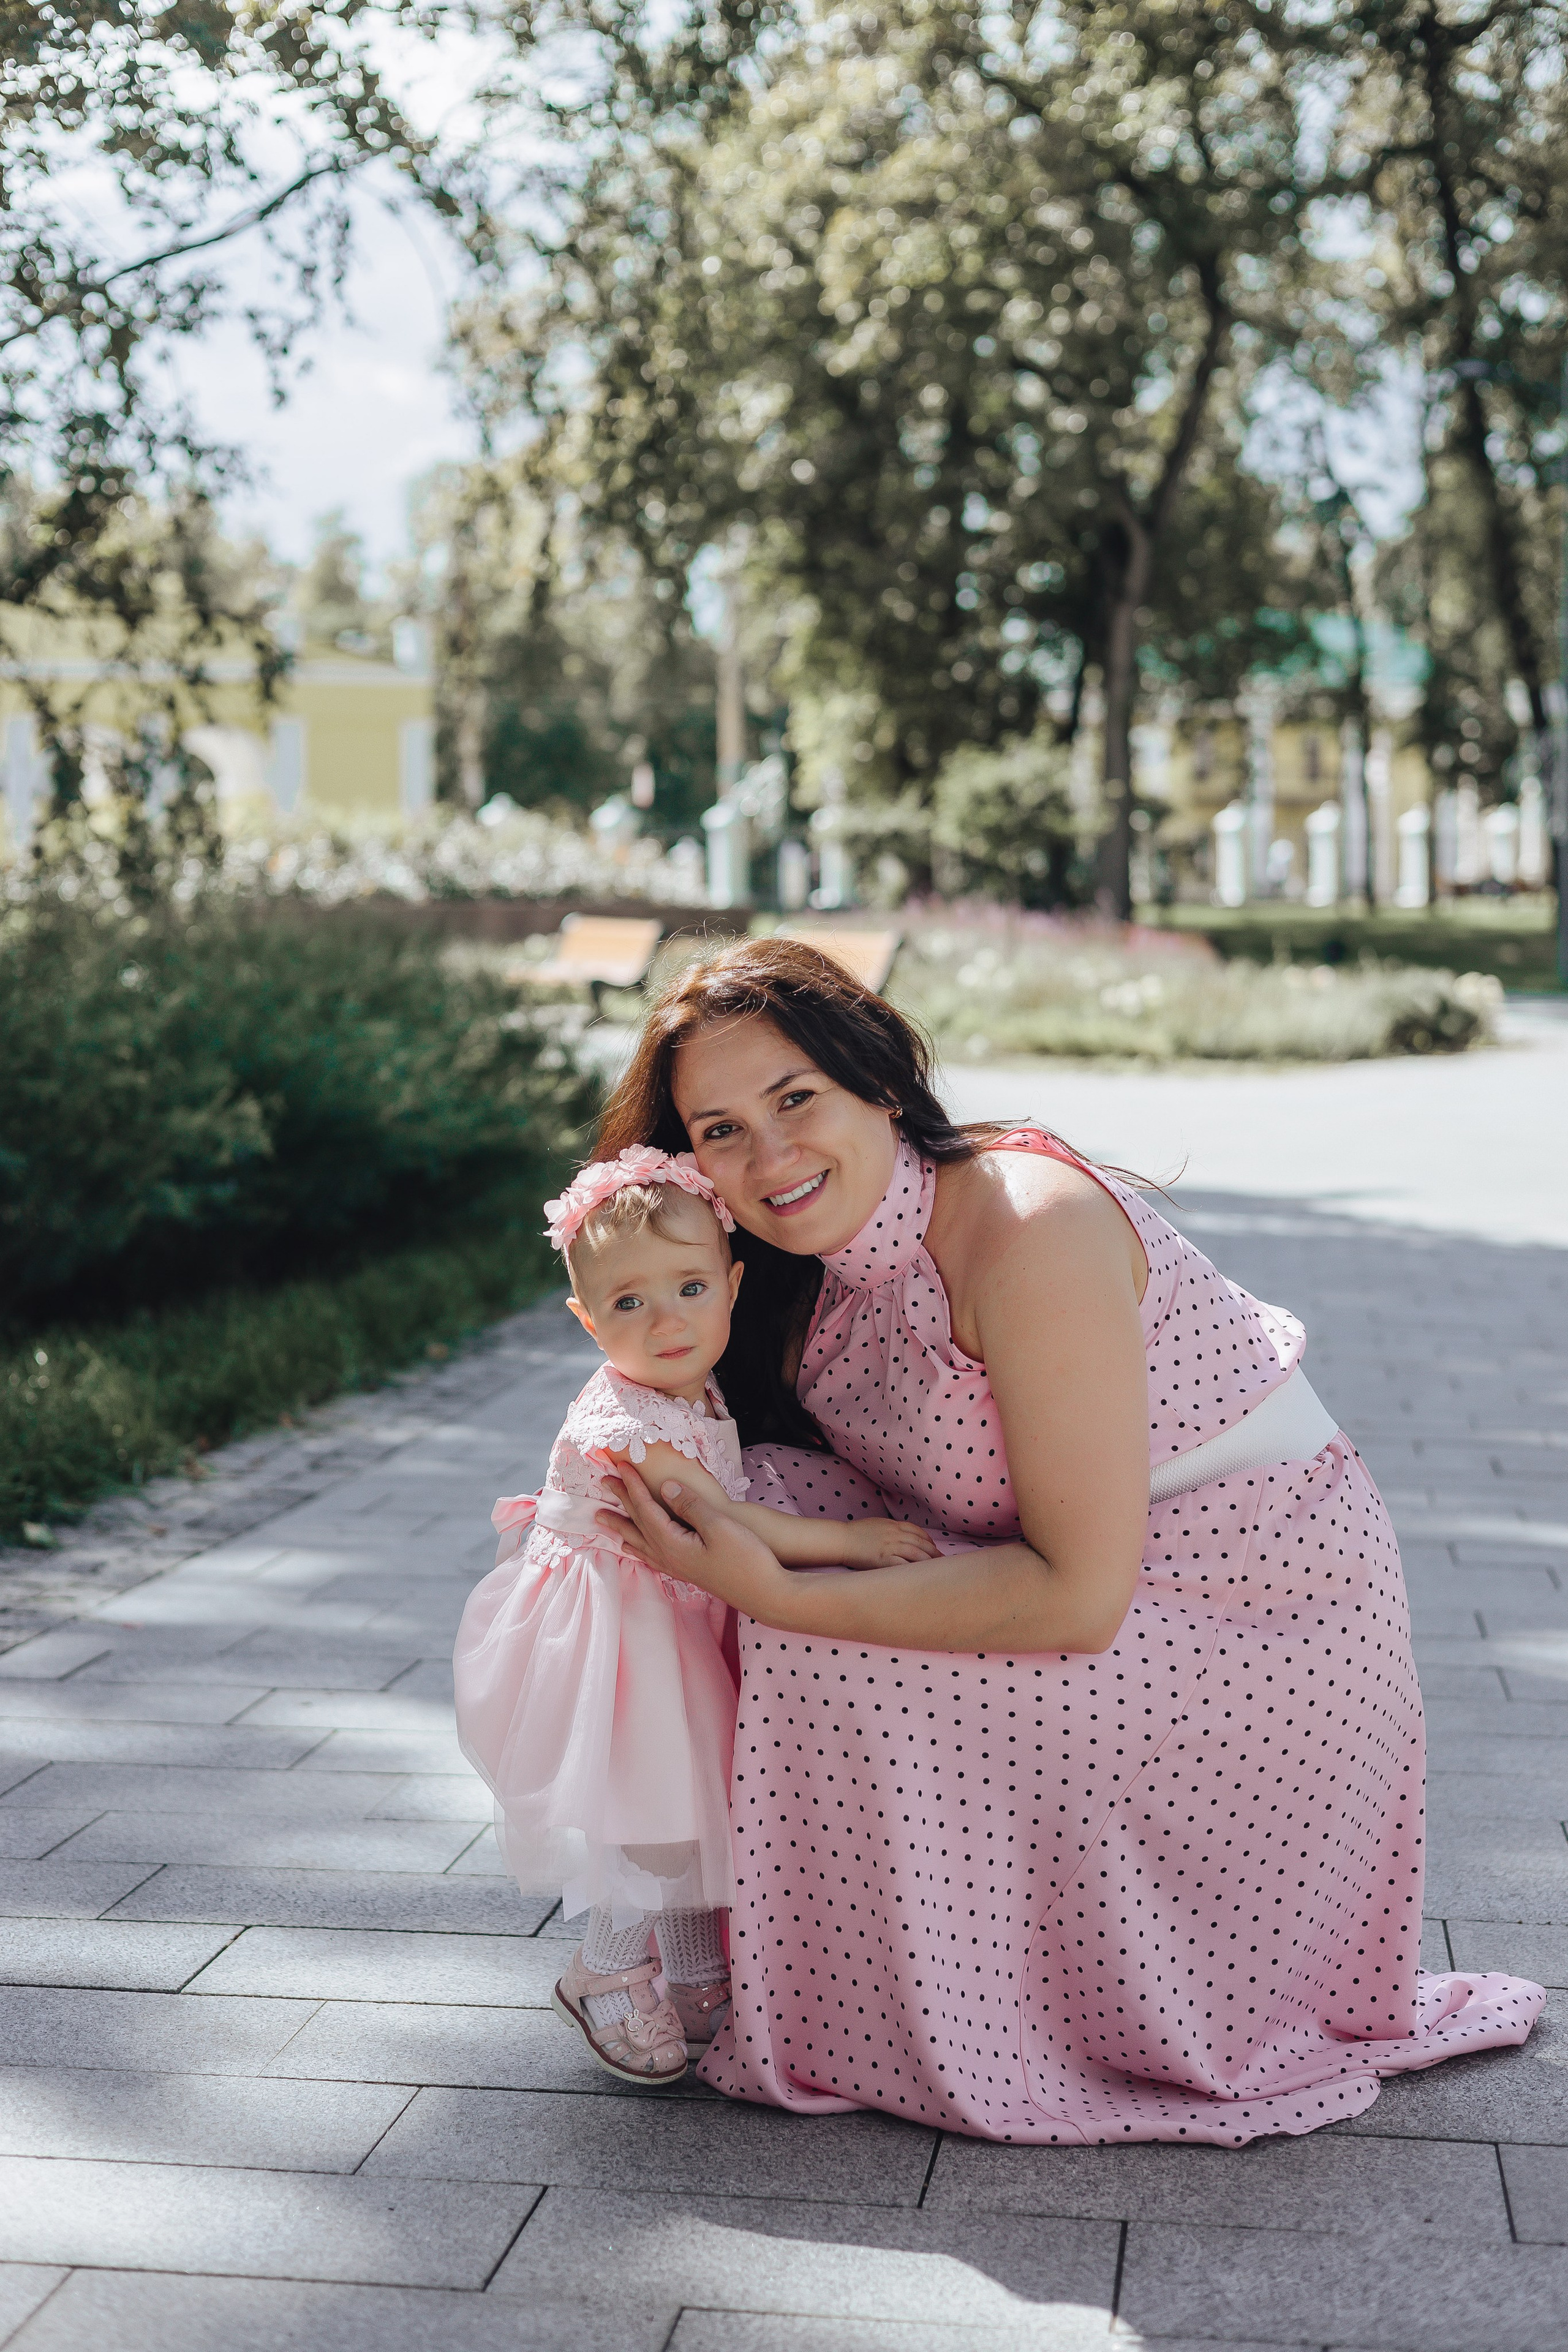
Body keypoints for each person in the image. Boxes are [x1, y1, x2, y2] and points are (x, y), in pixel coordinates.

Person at [590, 937, 1545, 2144]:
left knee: (804, 1641)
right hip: (1095, 1579)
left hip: (1247, 1630)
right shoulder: (798, 1268)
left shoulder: (1024, 1226)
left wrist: (775, 1592)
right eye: (718, 1131)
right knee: (712, 1508)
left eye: (795, 1101)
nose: (768, 1155)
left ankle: (862, 2005)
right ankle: (655, 1948)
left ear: (877, 1083)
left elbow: (1076, 1597)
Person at [452, 1144, 938, 2086]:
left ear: (732, 1283)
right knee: (657, 1816)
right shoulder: (627, 1424)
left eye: (688, 1288)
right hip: (618, 1633)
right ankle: (601, 1969)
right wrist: (854, 1541)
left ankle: (697, 1977)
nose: (666, 1320)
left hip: (667, 1609)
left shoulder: (687, 1380)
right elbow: (721, 1519)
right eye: (629, 1304)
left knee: (688, 1801)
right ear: (587, 1319)